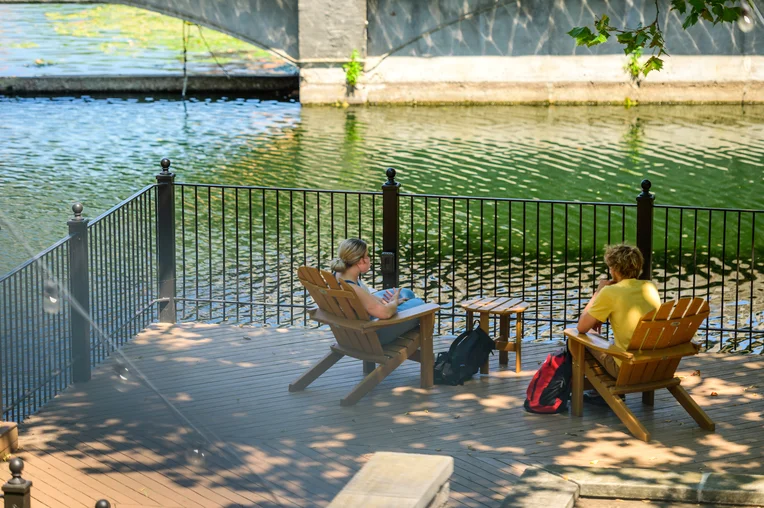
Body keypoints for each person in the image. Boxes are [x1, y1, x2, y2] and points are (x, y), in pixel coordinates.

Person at [576, 244, 661, 387]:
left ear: (614, 270)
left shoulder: (610, 292)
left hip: (627, 368)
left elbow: (581, 327)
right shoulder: (649, 287)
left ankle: (592, 393)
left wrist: (598, 292)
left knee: (576, 341)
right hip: (654, 366)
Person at [329, 238, 426, 344]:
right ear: (361, 261)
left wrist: (385, 302)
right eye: (367, 255)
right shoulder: (354, 289)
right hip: (372, 333)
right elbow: (386, 313)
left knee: (407, 293)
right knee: (421, 305)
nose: (369, 258)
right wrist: (394, 303)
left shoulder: (338, 275)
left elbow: (365, 297)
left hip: (355, 326)